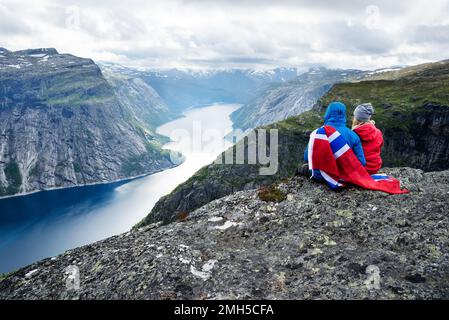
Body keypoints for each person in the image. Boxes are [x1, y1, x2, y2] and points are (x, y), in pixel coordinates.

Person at [299, 101, 366, 178]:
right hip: (344, 177)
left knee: (302, 168)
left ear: (328, 113)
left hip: (320, 176)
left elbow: (307, 157)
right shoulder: (353, 135)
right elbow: (362, 162)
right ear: (344, 114)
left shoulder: (317, 133)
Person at [352, 103, 384, 175]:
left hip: (361, 169)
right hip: (375, 167)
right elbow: (380, 146)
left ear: (357, 119)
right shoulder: (378, 132)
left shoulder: (354, 134)